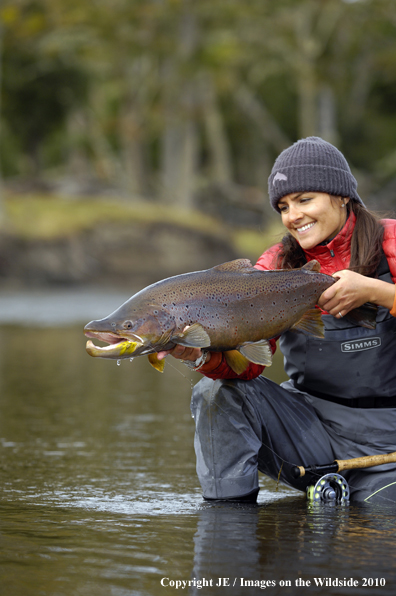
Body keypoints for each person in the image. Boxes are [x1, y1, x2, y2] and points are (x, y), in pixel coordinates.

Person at [158, 136, 396, 504]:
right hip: (309, 431)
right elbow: (248, 368)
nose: (292, 216)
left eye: (305, 200)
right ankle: (227, 523)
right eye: (283, 206)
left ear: (343, 196)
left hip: (389, 440)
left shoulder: (391, 242)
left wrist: (378, 292)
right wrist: (202, 356)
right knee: (215, 392)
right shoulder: (275, 265)